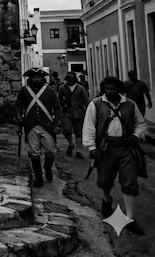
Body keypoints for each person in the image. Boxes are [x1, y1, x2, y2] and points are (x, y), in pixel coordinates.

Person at [82, 76, 148, 235]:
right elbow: (89, 126)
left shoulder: (130, 105)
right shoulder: (95, 104)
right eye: (107, 88)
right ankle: (107, 199)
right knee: (104, 180)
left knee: (129, 181)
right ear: (104, 88)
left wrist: (136, 135)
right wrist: (91, 147)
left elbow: (140, 124)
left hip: (127, 147)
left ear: (119, 89)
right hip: (106, 148)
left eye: (113, 88)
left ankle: (129, 218)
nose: (110, 91)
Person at [16, 68, 62, 188]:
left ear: (42, 78)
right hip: (30, 125)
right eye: (33, 77)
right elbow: (19, 106)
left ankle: (47, 167)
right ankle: (38, 178)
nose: (36, 79)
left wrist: (57, 123)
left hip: (47, 125)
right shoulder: (24, 91)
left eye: (38, 77)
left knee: (50, 151)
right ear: (29, 78)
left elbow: (57, 108)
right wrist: (19, 116)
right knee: (34, 152)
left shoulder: (50, 91)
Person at [58, 72, 90, 159]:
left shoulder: (80, 88)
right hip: (67, 112)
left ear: (75, 79)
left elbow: (86, 101)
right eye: (68, 79)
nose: (70, 80)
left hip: (78, 112)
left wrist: (88, 112)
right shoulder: (62, 88)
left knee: (78, 132)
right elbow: (59, 100)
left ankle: (78, 151)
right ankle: (70, 144)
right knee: (66, 130)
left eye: (71, 78)